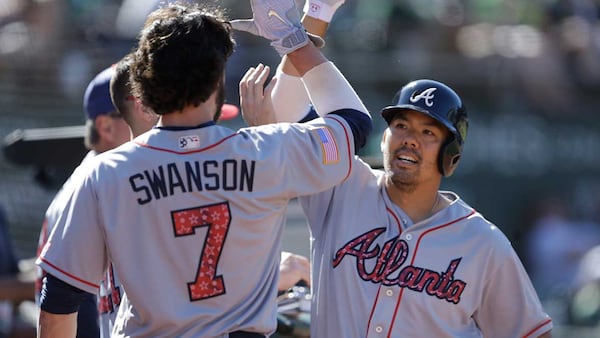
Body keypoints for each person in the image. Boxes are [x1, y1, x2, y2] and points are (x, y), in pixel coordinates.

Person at [36, 0, 372, 337]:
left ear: (145, 84)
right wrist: (293, 39)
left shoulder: (104, 173)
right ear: (217, 81)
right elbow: (354, 123)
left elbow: (58, 305)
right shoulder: (264, 152)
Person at [238, 1, 554, 337]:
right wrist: (317, 14)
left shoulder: (482, 243)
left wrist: (295, 37)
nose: (410, 139)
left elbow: (531, 332)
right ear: (385, 136)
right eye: (401, 125)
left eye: (428, 132)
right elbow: (287, 115)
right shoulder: (343, 186)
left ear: (452, 155)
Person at [35, 65, 132, 338]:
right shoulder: (89, 190)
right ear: (106, 126)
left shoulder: (101, 180)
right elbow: (69, 311)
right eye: (144, 108)